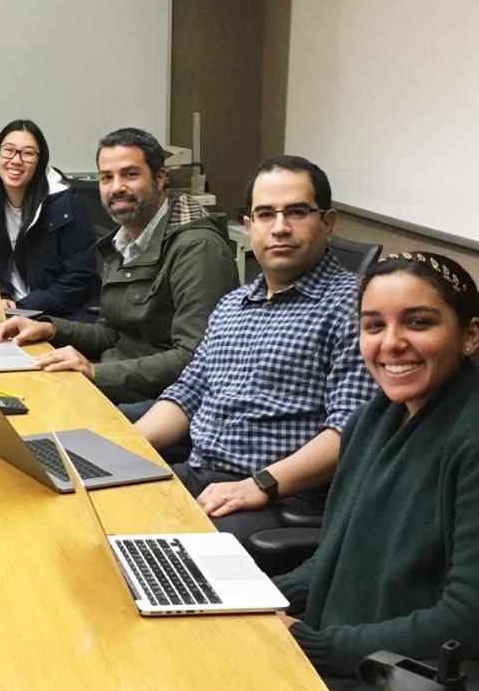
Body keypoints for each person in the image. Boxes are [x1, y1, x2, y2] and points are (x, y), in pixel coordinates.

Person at [275, 251, 479, 691]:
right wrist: (258, 603)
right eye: (373, 326)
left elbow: (464, 620)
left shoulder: (470, 437)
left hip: (395, 689)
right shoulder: (377, 416)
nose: (391, 344)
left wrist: (312, 644)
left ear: (470, 335)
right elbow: (337, 551)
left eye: (419, 322)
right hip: (331, 655)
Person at [131, 155, 378, 544]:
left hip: (278, 497)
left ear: (327, 224)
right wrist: (121, 448)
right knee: (90, 505)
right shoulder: (233, 304)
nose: (280, 228)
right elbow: (187, 394)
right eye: (265, 214)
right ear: (249, 226)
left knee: (150, 553)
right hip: (202, 475)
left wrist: (259, 484)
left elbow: (351, 430)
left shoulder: (357, 307)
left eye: (297, 212)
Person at [0, 127, 237, 404]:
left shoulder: (197, 247)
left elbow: (194, 357)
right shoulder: (123, 241)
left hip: (167, 401)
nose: (116, 187)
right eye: (107, 177)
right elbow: (111, 331)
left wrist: (96, 373)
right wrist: (48, 328)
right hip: (118, 381)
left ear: (160, 178)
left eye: (130, 174)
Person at [0, 119, 97, 320]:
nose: (16, 160)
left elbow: (79, 278)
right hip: (2, 313)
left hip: (57, 316)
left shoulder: (65, 203)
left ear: (39, 163)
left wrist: (24, 306)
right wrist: (0, 295)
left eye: (28, 153)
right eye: (9, 150)